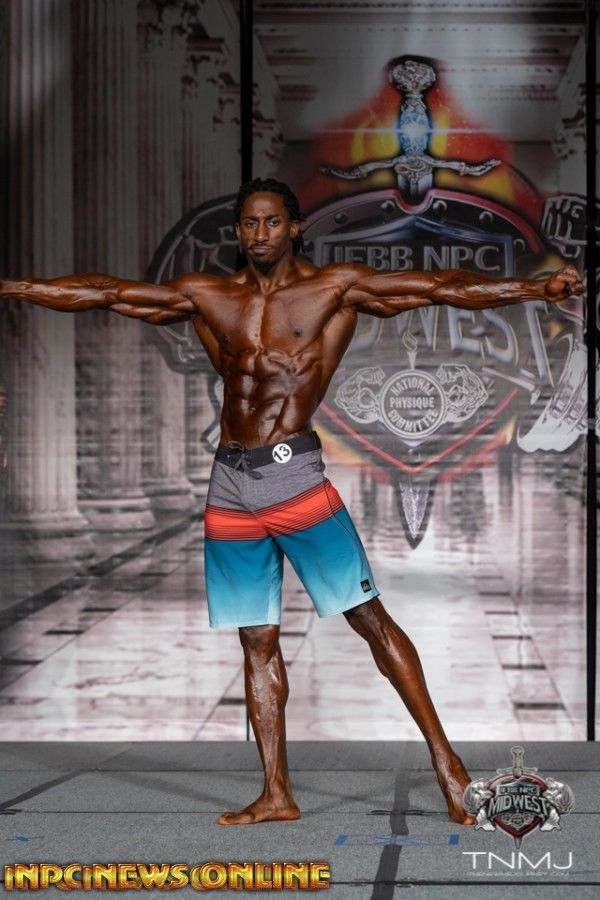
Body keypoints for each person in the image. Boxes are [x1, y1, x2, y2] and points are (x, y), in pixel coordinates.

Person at [1, 177, 583, 827]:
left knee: (368, 619)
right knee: (257, 639)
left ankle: (449, 765)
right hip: (230, 483)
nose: (260, 234)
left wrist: (534, 289)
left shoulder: (334, 289)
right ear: (238, 231)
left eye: (272, 222)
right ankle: (277, 792)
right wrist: (16, 288)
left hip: (293, 477)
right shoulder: (208, 295)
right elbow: (109, 293)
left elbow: (440, 288)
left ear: (294, 227)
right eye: (250, 223)